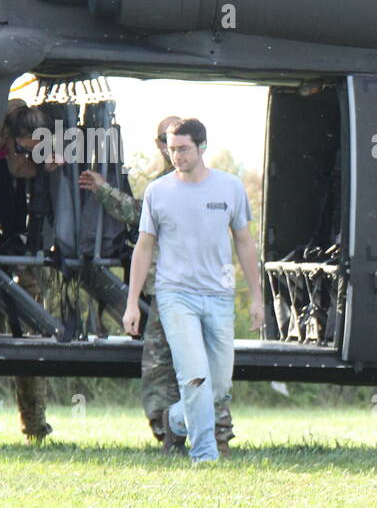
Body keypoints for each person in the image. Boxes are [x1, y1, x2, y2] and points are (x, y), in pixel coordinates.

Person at [81, 116, 236, 454]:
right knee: (169, 367)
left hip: (184, 290)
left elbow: (136, 215)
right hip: (173, 289)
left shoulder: (181, 184)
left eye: (180, 143)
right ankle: (181, 433)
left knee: (172, 366)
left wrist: (103, 190)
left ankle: (200, 434)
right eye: (167, 141)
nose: (172, 148)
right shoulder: (171, 183)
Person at [122, 118, 263, 464]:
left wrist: (258, 298)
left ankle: (174, 419)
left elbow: (244, 243)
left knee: (218, 386)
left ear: (202, 147)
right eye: (171, 149)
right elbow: (143, 247)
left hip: (219, 296)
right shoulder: (159, 191)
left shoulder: (229, 188)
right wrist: (132, 305)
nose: (176, 156)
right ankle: (204, 454)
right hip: (175, 295)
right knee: (195, 375)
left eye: (183, 149)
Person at [0, 100, 56, 442]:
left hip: (24, 263)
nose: (32, 157)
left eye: (38, 150)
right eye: (26, 149)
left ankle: (35, 426)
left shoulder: (38, 167)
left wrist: (53, 169)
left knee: (32, 343)